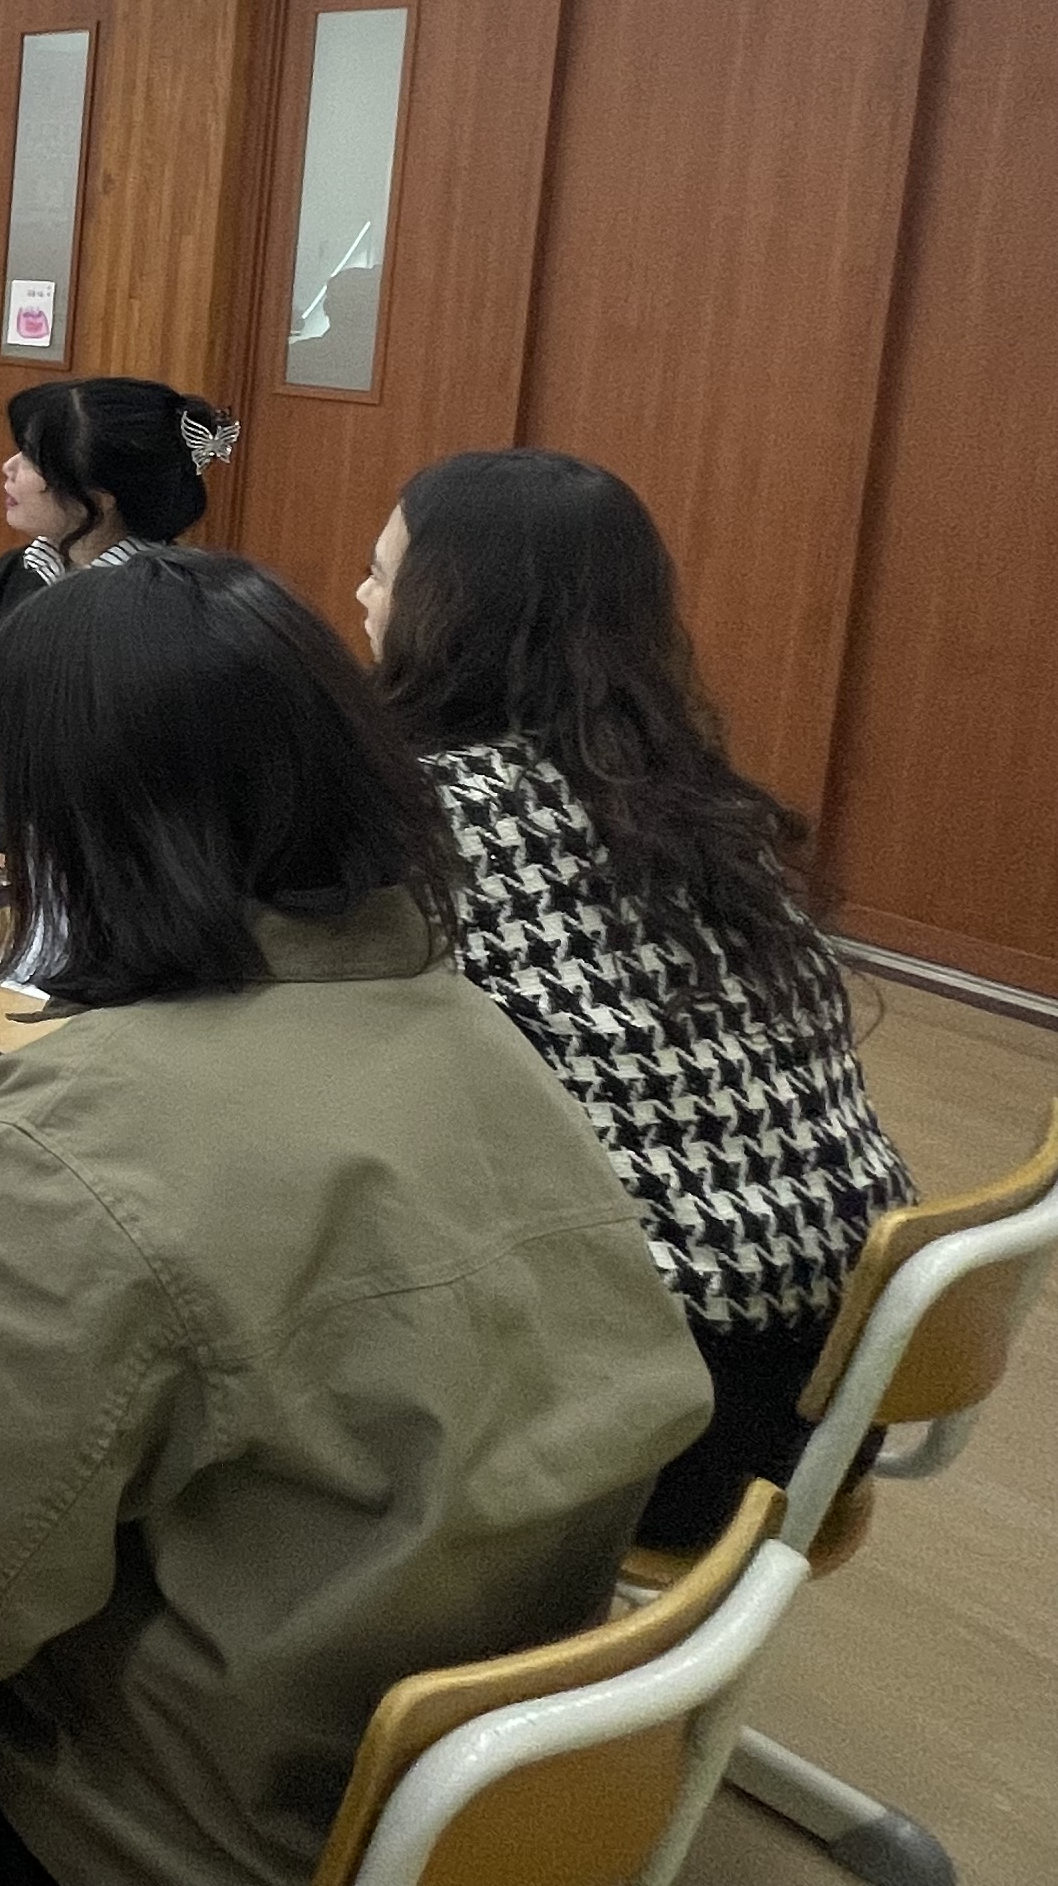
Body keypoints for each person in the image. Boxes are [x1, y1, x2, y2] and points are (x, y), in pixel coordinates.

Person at [0, 550, 708, 1886]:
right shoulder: (476, 1035)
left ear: (85, 827)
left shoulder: (89, 1132)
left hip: (179, 1820)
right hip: (444, 1737)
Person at [365, 448, 912, 1550]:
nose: (361, 598)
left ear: (449, 613)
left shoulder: (425, 820)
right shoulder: (690, 803)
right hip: (834, 1383)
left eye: (383, 574)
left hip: (643, 1417)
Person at [0, 375, 235, 815]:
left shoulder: (171, 609)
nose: (8, 467)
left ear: (99, 498)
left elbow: (152, 788)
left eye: (32, 459)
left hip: (102, 849)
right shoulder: (14, 576)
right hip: (9, 829)